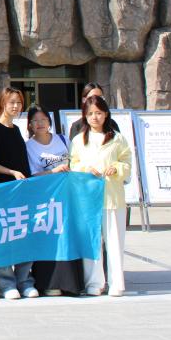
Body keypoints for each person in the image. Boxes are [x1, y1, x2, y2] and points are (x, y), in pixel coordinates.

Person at [70, 95, 131, 297]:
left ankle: (116, 283)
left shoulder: (117, 138)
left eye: (98, 113)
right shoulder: (79, 140)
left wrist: (116, 168)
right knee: (92, 242)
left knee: (115, 242)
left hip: (112, 197)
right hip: (88, 200)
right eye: (90, 114)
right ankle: (94, 283)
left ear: (106, 114)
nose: (94, 117)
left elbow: (127, 163)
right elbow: (74, 164)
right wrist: (86, 169)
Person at [26, 104, 83, 297]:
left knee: (68, 238)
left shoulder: (63, 139)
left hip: (67, 197)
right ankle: (49, 283)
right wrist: (53, 171)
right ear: (30, 125)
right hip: (46, 199)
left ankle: (71, 283)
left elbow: (78, 162)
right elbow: (31, 175)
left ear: (49, 121)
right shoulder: (29, 146)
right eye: (35, 121)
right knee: (49, 238)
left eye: (43, 119)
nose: (40, 123)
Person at [0, 86, 37, 300]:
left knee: (24, 235)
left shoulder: (16, 129)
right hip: (3, 190)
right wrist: (12, 172)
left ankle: (24, 280)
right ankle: (6, 283)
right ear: (3, 104)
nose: (16, 106)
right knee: (3, 237)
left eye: (19, 102)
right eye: (11, 102)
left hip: (22, 192)